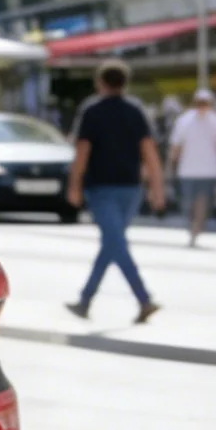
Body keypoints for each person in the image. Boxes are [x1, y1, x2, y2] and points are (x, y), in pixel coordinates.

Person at [65, 58, 165, 323]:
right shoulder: (136, 110)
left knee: (115, 243)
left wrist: (74, 185)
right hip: (131, 189)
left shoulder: (92, 110)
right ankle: (85, 300)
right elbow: (150, 153)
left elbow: (82, 152)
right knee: (113, 243)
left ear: (100, 82)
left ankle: (144, 299)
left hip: (101, 188)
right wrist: (157, 188)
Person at [167, 87, 216, 245]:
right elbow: (175, 145)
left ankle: (196, 229)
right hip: (188, 171)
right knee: (189, 202)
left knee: (202, 201)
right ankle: (193, 226)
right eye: (200, 103)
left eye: (205, 103)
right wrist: (171, 164)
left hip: (209, 170)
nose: (202, 106)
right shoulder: (185, 120)